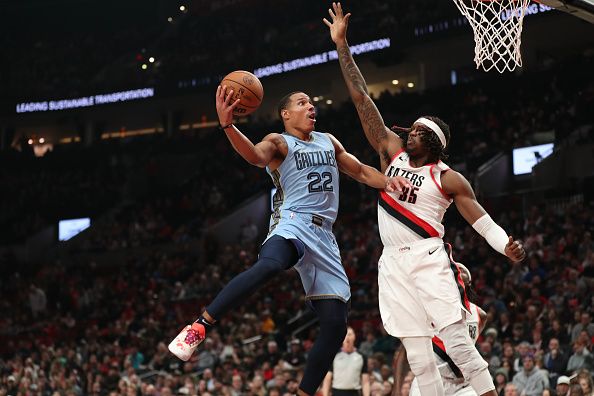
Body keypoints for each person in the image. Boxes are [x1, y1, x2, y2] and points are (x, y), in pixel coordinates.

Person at [324, 3, 526, 396]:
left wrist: (505, 245)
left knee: (457, 342)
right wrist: (342, 45)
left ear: (433, 141)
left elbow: (480, 220)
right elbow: (363, 98)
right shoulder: (392, 153)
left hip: (428, 256)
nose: (408, 132)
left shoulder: (447, 178)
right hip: (392, 261)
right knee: (417, 354)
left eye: (417, 130)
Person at [168, 86, 410, 396]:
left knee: (336, 325)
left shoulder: (328, 141)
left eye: (312, 102)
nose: (311, 106)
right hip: (292, 223)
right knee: (271, 264)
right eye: (302, 102)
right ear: (286, 114)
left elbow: (362, 171)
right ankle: (198, 327)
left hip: (325, 237)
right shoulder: (279, 142)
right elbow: (255, 157)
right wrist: (229, 126)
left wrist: (388, 181)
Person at [393, 261, 488, 396]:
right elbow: (403, 352)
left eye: (460, 280)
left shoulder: (480, 315)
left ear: (467, 285)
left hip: (463, 384)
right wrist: (397, 389)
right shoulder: (426, 310)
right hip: (432, 378)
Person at [322, 326, 371, 396]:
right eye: (344, 334)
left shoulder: (362, 356)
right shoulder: (334, 356)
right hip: (337, 392)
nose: (347, 337)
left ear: (354, 337)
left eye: (349, 334)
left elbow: (365, 381)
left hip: (354, 392)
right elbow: (327, 379)